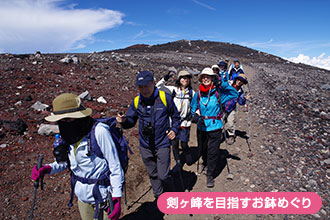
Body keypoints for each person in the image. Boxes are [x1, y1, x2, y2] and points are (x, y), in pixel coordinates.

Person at [31, 93, 124, 220]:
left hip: (105, 195)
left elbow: (115, 166)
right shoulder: (69, 135)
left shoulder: (100, 132)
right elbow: (68, 162)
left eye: (68, 119)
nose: (65, 123)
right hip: (82, 197)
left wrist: (117, 196)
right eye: (62, 120)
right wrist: (48, 169)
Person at [116, 70, 181, 200]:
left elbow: (176, 117)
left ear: (154, 83)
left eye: (146, 86)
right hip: (145, 145)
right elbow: (130, 121)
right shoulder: (136, 101)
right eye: (140, 87)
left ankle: (172, 193)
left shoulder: (165, 98)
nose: (143, 90)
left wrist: (174, 129)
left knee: (163, 175)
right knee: (153, 174)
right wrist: (123, 121)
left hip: (162, 143)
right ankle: (159, 196)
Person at [191, 68, 238, 188]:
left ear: (213, 78)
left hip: (215, 127)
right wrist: (195, 115)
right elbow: (193, 108)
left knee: (213, 151)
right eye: (203, 77)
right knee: (202, 149)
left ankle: (210, 175)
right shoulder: (198, 94)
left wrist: (223, 84)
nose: (206, 78)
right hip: (202, 127)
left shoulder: (219, 93)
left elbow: (234, 93)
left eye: (209, 76)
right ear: (201, 79)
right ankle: (205, 163)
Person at [156, 70, 195, 166]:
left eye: (187, 78)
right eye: (183, 77)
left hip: (185, 122)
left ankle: (186, 152)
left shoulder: (191, 93)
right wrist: (164, 79)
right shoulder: (173, 90)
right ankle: (178, 161)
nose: (185, 80)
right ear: (179, 79)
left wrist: (196, 114)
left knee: (184, 143)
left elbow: (196, 104)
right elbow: (158, 87)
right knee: (174, 143)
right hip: (173, 122)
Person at [223, 74, 251, 145]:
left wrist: (244, 98)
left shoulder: (240, 91)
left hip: (232, 108)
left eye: (241, 81)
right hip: (222, 106)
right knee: (219, 121)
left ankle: (231, 135)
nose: (239, 82)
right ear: (236, 79)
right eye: (239, 79)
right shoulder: (228, 84)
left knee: (230, 123)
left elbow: (240, 102)